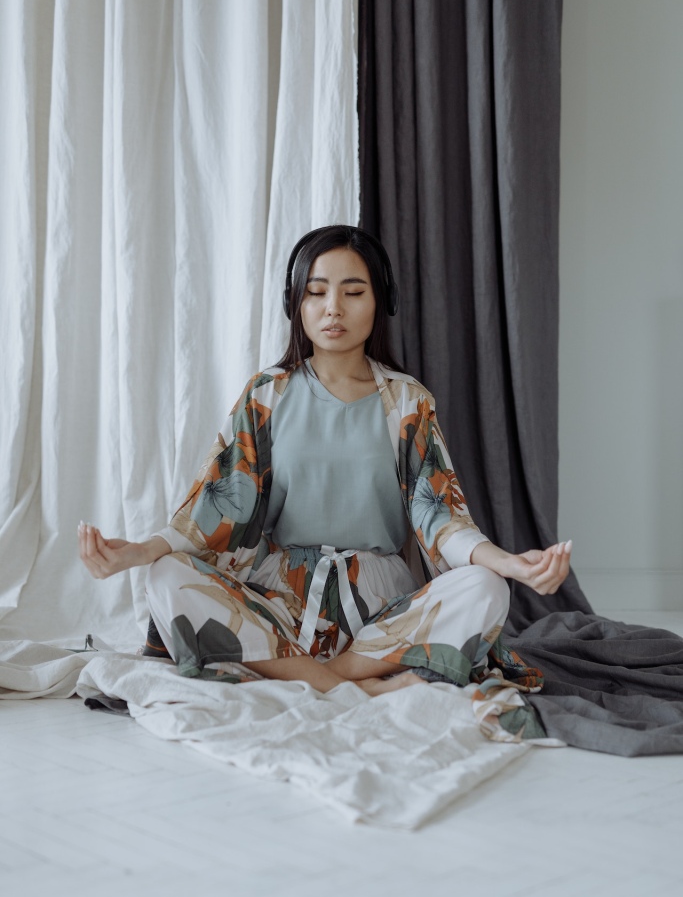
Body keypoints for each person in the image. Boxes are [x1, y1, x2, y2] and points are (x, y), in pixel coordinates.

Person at [79, 224, 571, 697]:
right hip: (280, 604)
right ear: (296, 303)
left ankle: (315, 678)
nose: (333, 308)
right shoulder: (266, 396)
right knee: (166, 576)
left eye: (353, 292)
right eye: (316, 292)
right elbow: (217, 508)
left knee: (487, 589)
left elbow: (438, 514)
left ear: (380, 303)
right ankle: (363, 691)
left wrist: (507, 563)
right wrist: (141, 552)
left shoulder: (407, 402)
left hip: (381, 612)